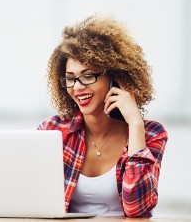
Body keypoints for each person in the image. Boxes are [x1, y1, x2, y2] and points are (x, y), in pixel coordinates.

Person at [38, 14, 168, 218]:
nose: (78, 87)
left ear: (115, 77)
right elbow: (37, 203)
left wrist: (134, 124)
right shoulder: (52, 131)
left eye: (88, 76)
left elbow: (137, 208)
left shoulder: (151, 133)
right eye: (70, 79)